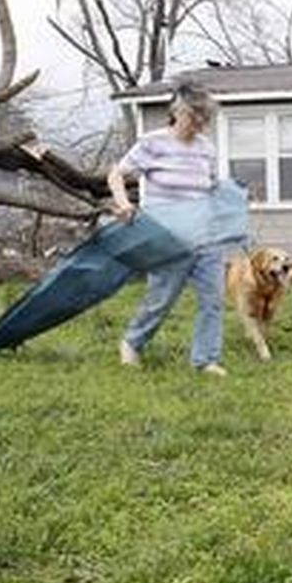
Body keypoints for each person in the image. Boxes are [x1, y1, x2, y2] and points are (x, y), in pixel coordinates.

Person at [108, 83, 229, 377]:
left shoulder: (206, 149)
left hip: (206, 237)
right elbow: (116, 174)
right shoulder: (152, 143)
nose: (200, 123)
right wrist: (124, 205)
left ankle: (205, 360)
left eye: (205, 118)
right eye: (195, 116)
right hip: (168, 238)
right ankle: (132, 343)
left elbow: (211, 188)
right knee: (161, 299)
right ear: (178, 111)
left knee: (213, 300)